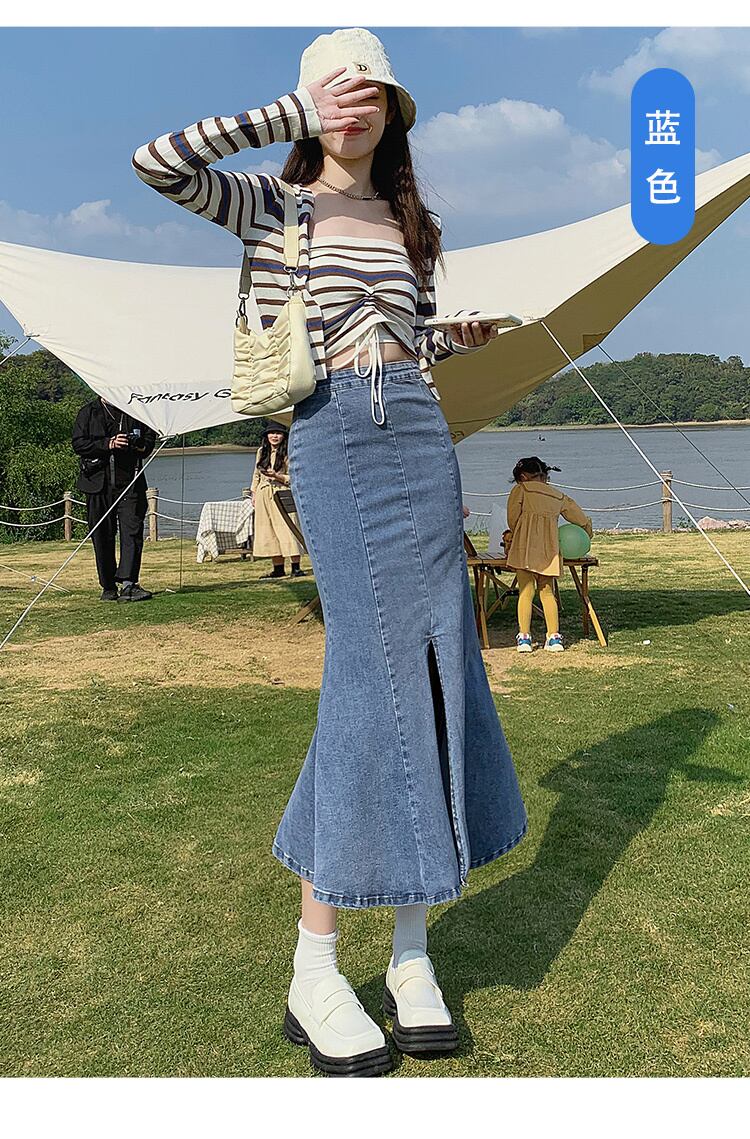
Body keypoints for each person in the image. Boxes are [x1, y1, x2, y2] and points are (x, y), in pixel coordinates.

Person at [133, 26, 527, 1077]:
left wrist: (454, 337)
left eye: (371, 92)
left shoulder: (411, 225)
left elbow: (406, 340)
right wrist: (291, 116)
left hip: (421, 434)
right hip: (335, 438)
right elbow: (156, 161)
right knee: (369, 675)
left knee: (438, 667)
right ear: (311, 104)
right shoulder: (273, 203)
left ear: (395, 110)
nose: (355, 107)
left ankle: (410, 953)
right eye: (335, 92)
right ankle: (315, 966)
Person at [503, 456, 593, 653]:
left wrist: (515, 534)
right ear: (545, 475)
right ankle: (554, 637)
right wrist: (587, 532)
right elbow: (579, 518)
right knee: (547, 592)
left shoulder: (521, 490)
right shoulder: (558, 495)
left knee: (526, 591)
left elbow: (513, 519)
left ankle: (524, 638)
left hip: (524, 546)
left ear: (523, 476)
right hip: (549, 548)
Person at [71, 395, 157, 601]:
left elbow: (148, 441)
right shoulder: (88, 412)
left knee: (132, 531)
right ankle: (108, 586)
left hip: (130, 482)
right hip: (97, 484)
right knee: (102, 535)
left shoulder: (136, 410)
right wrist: (108, 443)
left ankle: (129, 583)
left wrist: (137, 446)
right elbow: (78, 444)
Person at [250, 421, 306, 579]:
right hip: (264, 494)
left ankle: (296, 567)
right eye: (271, 433)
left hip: (282, 493)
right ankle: (278, 568)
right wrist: (254, 494)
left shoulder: (290, 452)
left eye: (278, 433)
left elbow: (294, 477)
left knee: (289, 527)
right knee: (268, 530)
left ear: (284, 436)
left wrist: (277, 476)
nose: (274, 436)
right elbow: (256, 474)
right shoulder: (262, 451)